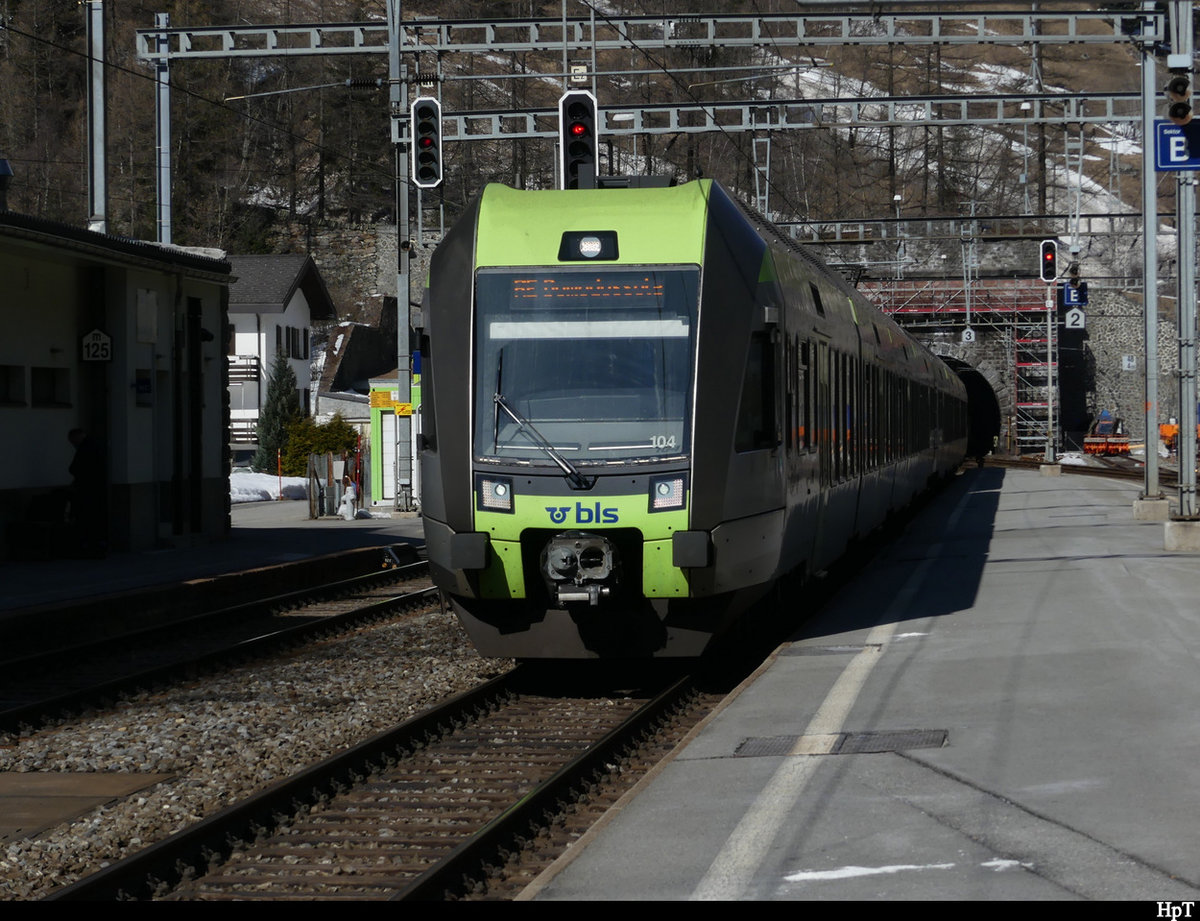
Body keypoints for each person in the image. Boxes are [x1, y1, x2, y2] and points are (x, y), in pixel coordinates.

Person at [67, 427, 107, 555]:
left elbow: (75, 468)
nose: (73, 444)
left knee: (87, 517)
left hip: (87, 490)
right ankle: (96, 545)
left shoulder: (85, 449)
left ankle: (88, 546)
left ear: (77, 437)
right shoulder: (95, 446)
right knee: (95, 518)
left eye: (73, 441)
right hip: (96, 489)